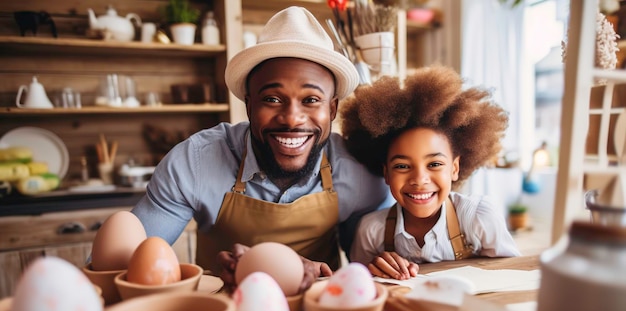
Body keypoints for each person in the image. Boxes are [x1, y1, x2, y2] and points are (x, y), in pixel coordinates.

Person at [129, 6, 391, 291]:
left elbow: (370, 269)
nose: (292, 118)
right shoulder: (195, 163)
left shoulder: (360, 171)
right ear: (249, 104)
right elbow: (126, 267)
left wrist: (378, 263)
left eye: (311, 100)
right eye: (273, 99)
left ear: (332, 108)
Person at [341, 65, 521, 280]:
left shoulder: (479, 218)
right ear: (386, 173)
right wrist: (374, 269)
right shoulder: (371, 231)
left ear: (454, 168)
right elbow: (359, 288)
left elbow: (511, 276)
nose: (419, 180)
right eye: (402, 166)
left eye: (434, 164)